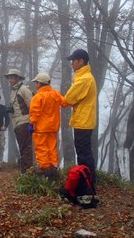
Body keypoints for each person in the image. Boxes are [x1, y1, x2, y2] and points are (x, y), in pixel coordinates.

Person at [62, 49, 98, 186]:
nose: (72, 64)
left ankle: (87, 184)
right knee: (84, 153)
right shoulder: (85, 77)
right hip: (84, 120)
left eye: (73, 61)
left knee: (83, 154)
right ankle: (87, 182)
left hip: (83, 121)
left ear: (81, 61)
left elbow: (68, 99)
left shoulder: (84, 79)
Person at [29, 72, 67, 181]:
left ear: (40, 83)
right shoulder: (55, 93)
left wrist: (31, 124)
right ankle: (53, 166)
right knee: (52, 147)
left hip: (41, 128)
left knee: (41, 147)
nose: (36, 84)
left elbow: (34, 112)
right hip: (53, 127)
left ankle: (44, 167)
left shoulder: (38, 96)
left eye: (36, 82)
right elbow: (64, 103)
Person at [5, 68, 34, 173]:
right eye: (9, 77)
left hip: (24, 122)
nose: (9, 79)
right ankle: (25, 170)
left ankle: (27, 172)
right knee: (23, 147)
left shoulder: (24, 89)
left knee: (26, 148)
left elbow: (32, 106)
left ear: (17, 78)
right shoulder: (13, 90)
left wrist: (31, 122)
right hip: (17, 123)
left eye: (12, 77)